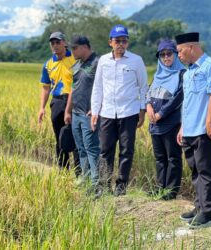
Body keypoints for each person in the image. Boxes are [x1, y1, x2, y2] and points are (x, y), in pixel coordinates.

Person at [91, 24, 148, 197]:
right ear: (110, 42)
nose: (121, 44)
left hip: (128, 112)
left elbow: (143, 87)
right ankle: (103, 185)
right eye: (117, 41)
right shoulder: (103, 61)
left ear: (128, 42)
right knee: (105, 150)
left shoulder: (136, 61)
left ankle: (121, 187)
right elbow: (98, 87)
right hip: (107, 113)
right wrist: (95, 111)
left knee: (126, 150)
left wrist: (142, 110)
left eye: (124, 41)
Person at [175, 32, 211, 228]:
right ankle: (199, 207)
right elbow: (188, 103)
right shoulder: (188, 73)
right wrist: (182, 127)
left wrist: (210, 124)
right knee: (195, 171)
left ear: (191, 48)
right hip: (189, 130)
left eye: (180, 51)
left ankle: (208, 213)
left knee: (206, 171)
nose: (178, 54)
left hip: (204, 131)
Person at [146, 39, 185, 200]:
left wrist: (161, 113)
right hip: (155, 123)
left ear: (176, 55)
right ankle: (160, 187)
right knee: (160, 157)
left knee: (173, 158)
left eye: (169, 53)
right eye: (162, 54)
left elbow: (178, 97)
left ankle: (171, 191)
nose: (166, 57)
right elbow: (149, 92)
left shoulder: (182, 73)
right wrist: (148, 106)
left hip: (171, 122)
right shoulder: (158, 74)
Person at [38, 31, 80, 174]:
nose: (55, 46)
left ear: (65, 43)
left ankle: (79, 173)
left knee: (76, 137)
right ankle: (63, 172)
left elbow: (81, 82)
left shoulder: (75, 60)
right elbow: (45, 88)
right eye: (53, 43)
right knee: (60, 138)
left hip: (74, 101)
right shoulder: (48, 65)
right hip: (56, 102)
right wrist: (42, 108)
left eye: (58, 42)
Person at [64, 35, 100, 193]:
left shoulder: (98, 63)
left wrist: (97, 107)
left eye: (74, 48)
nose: (72, 52)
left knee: (91, 148)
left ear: (85, 46)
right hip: (76, 113)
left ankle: (96, 182)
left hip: (88, 114)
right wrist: (67, 110)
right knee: (81, 148)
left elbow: (104, 87)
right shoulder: (78, 64)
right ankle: (85, 178)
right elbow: (73, 88)